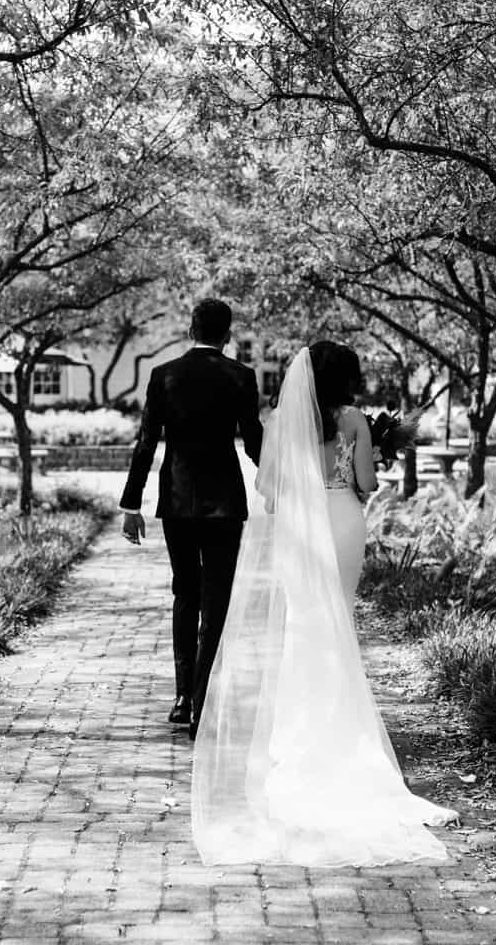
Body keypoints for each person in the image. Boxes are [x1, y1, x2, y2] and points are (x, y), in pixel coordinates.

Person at [192, 342, 458, 867]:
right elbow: (364, 483)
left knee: (305, 624)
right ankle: (340, 730)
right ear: (346, 377)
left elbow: (269, 489)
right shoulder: (354, 419)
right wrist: (374, 456)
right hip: (340, 522)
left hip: (298, 529)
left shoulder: (282, 419)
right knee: (338, 622)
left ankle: (298, 735)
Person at [120, 298, 265, 737]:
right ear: (227, 335)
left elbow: (146, 443)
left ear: (190, 329)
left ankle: (183, 698)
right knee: (216, 600)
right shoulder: (241, 377)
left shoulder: (164, 376)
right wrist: (281, 482)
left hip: (178, 501)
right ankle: (204, 701)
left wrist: (131, 505)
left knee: (185, 593)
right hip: (224, 503)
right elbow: (254, 442)